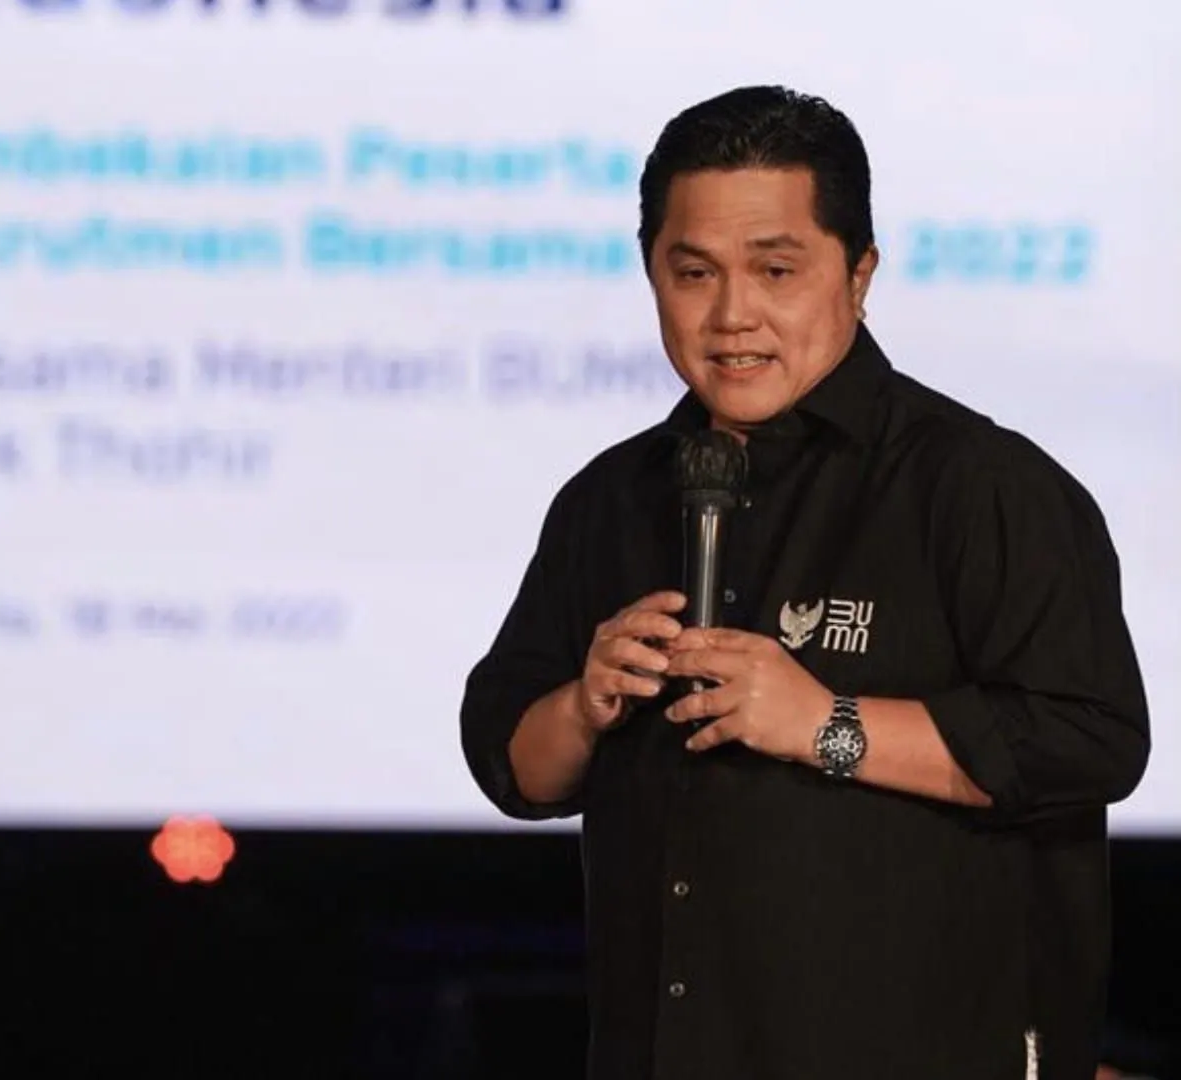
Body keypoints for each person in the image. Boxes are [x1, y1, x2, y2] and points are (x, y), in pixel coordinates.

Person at [459, 85, 1151, 1080]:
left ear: (859, 273)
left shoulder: (978, 486)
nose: (731, 315)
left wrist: (825, 723)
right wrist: (584, 702)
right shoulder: (610, 499)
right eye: (692, 273)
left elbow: (1087, 740)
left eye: (775, 270)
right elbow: (512, 764)